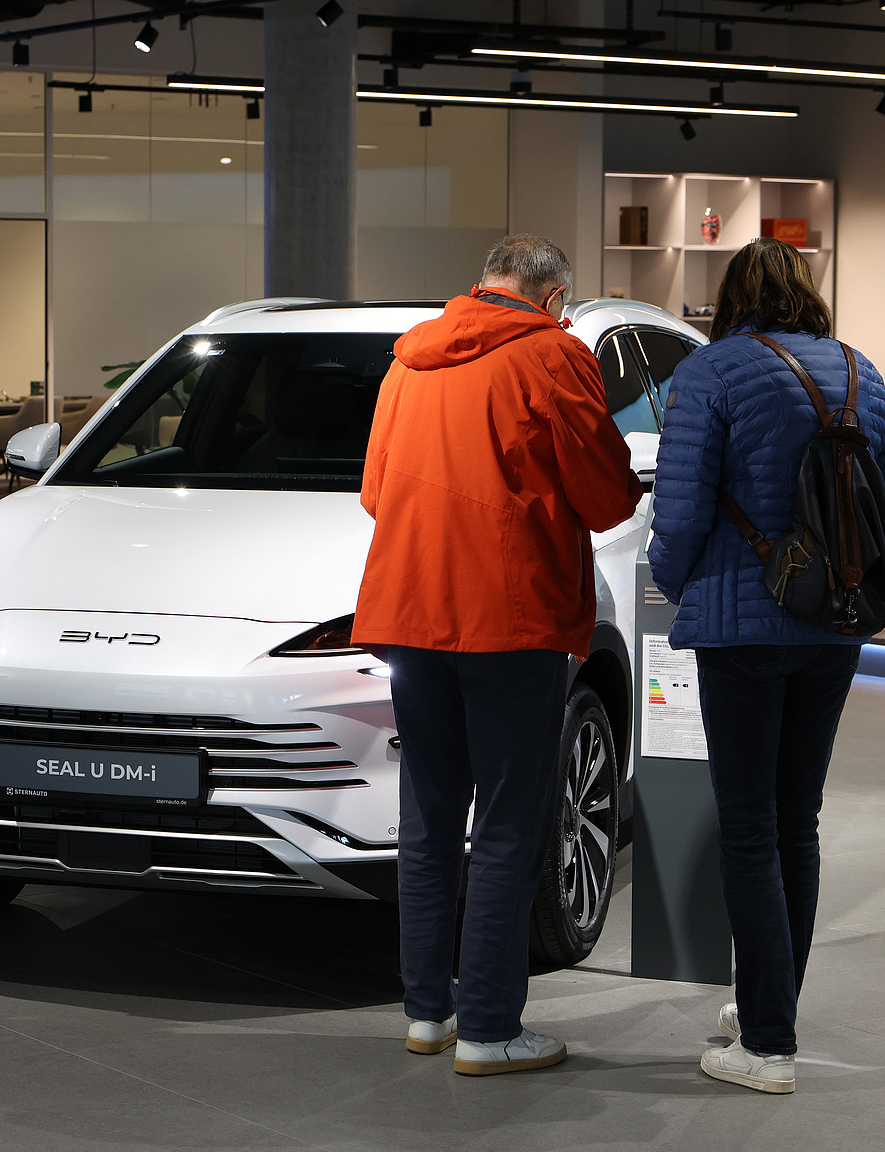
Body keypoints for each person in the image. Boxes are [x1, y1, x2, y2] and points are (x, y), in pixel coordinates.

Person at [355, 235, 643, 1075]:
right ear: (553, 299)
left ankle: (428, 1015)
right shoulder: (553, 356)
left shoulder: (409, 361)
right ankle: (488, 1028)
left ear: (485, 284)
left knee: (428, 818)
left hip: (411, 611)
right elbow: (606, 496)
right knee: (512, 821)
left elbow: (375, 492)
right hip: (512, 620)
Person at [647, 237, 885, 1094]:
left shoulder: (711, 373)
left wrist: (681, 585)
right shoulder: (860, 372)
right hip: (834, 624)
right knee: (798, 821)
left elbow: (679, 512)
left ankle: (766, 1044)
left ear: (734, 296)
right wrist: (834, 571)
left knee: (749, 827)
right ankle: (773, 1006)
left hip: (740, 627)